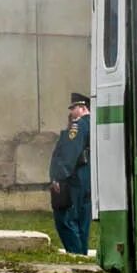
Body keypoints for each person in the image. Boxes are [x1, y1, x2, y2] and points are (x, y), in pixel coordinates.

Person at [48, 91, 94, 256]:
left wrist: (58, 177)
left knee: (66, 217)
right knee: (83, 218)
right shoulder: (94, 124)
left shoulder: (78, 125)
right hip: (89, 176)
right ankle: (82, 253)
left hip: (75, 176)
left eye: (73, 107)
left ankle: (75, 252)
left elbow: (69, 152)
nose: (71, 112)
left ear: (82, 108)